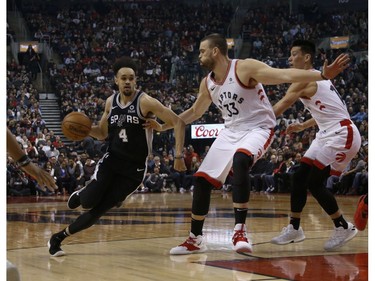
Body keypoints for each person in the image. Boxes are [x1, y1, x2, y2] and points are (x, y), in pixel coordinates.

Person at [145, 33, 348, 255]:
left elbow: (282, 74)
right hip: (230, 131)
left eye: (202, 51)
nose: (199, 55)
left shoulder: (244, 68)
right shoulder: (208, 83)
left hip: (258, 127)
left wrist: (320, 74)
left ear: (215, 51)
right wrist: (165, 126)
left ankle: (240, 231)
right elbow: (193, 113)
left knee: (240, 159)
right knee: (202, 181)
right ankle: (195, 238)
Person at [47, 56, 186, 257]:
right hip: (111, 160)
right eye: (124, 78)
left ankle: (57, 238)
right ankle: (80, 194)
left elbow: (178, 122)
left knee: (98, 211)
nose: (128, 81)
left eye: (131, 78)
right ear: (116, 81)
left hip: (134, 170)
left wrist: (172, 145)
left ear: (136, 80)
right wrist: (84, 130)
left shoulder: (146, 101)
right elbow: (102, 133)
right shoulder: (110, 102)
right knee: (87, 202)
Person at [270, 40, 360, 251]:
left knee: (314, 182)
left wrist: (256, 121)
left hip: (341, 134)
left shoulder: (305, 80)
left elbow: (283, 104)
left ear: (307, 57)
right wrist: (304, 125)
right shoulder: (318, 78)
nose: (290, 58)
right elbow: (329, 110)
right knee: (299, 176)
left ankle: (343, 226)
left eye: (294, 54)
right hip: (326, 133)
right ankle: (294, 228)